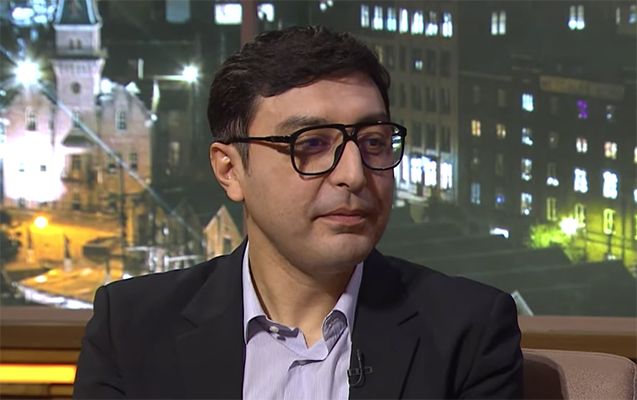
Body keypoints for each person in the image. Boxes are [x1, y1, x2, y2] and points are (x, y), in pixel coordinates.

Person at [73, 26, 523, 400]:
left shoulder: (468, 332)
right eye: (311, 144)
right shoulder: (131, 328)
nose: (354, 175)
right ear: (230, 171)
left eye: (373, 142)